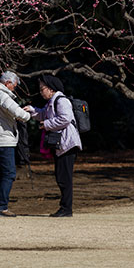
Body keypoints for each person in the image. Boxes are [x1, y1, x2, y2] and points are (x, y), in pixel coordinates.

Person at [24, 75, 82, 217]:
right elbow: (44, 114)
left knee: (64, 177)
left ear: (50, 89)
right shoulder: (53, 101)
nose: (41, 91)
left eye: (42, 88)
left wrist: (47, 125)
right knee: (61, 176)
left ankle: (66, 209)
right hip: (62, 144)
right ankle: (65, 208)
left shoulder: (61, 101)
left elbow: (66, 118)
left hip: (68, 144)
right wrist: (32, 110)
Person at [0, 70, 31, 217]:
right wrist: (27, 114)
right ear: (7, 83)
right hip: (4, 140)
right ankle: (1, 207)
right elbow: (18, 113)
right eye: (14, 86)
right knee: (9, 174)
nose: (14, 88)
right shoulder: (1, 95)